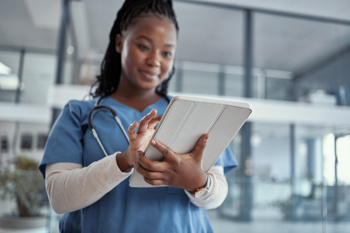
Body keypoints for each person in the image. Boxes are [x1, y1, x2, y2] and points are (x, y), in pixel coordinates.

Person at [39, 0, 237, 232]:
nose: (155, 60)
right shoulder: (78, 113)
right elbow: (59, 198)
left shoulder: (193, 114)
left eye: (166, 52)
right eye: (144, 46)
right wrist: (124, 161)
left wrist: (197, 182)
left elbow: (218, 194)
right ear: (120, 43)